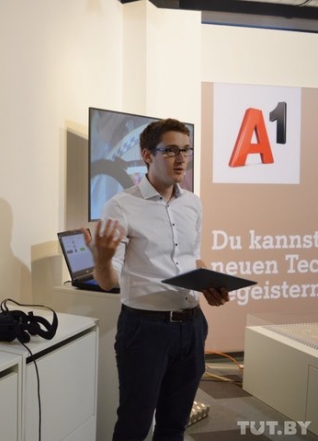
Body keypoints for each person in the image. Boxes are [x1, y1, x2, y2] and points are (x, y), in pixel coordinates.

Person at [83, 118, 229, 441]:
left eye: (186, 150)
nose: (181, 159)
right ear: (147, 155)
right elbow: (108, 281)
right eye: (171, 150)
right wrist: (102, 260)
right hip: (145, 331)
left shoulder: (193, 204)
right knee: (134, 426)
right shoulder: (121, 206)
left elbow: (192, 258)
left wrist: (209, 284)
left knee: (174, 425)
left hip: (192, 327)